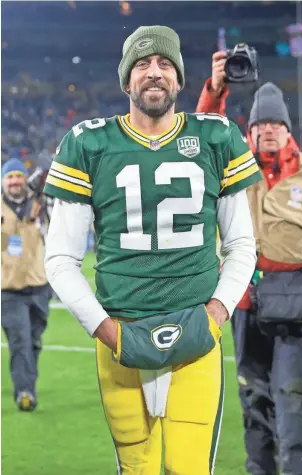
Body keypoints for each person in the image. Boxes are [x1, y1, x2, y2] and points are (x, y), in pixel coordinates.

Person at [44, 26, 261, 474]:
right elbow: (60, 260)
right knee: (136, 467)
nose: (154, 73)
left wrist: (216, 313)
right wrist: (105, 329)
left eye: (165, 64)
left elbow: (242, 244)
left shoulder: (215, 136)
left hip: (197, 333)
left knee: (189, 468)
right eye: (142, 64)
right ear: (126, 80)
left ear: (180, 79)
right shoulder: (89, 142)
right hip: (121, 331)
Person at [196, 51, 302, 475]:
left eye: (276, 124)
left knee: (294, 397)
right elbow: (203, 137)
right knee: (253, 396)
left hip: (296, 307)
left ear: (288, 131)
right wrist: (217, 88)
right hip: (244, 304)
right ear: (250, 132)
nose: (268, 132)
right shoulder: (234, 168)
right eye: (260, 125)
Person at [1, 158, 51, 411]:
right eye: (10, 177)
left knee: (34, 342)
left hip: (40, 285)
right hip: (8, 290)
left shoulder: (40, 204)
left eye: (19, 176)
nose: (14, 181)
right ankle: (25, 392)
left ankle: (27, 382)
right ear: (3, 181)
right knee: (20, 340)